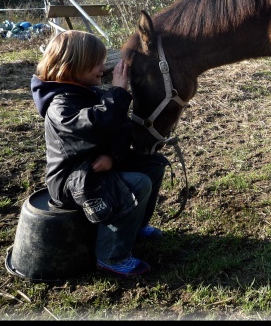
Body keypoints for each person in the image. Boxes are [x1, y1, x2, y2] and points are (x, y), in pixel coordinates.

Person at [30, 30, 169, 277]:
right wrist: (117, 92)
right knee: (138, 183)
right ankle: (111, 257)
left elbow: (120, 129)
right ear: (72, 65)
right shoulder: (59, 104)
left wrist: (113, 157)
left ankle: (136, 226)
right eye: (96, 63)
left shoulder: (87, 92)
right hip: (73, 181)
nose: (103, 68)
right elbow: (96, 126)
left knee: (153, 164)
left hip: (96, 168)